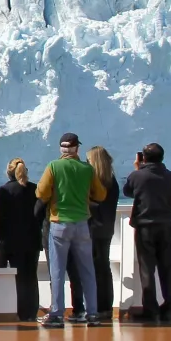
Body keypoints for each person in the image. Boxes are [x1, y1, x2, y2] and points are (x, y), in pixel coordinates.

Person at [36, 133, 106, 328]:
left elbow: (41, 193)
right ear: (76, 148)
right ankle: (92, 313)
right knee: (87, 270)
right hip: (82, 223)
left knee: (57, 271)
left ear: (61, 148)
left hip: (59, 223)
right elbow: (100, 194)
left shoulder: (53, 167)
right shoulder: (87, 169)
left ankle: (57, 314)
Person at [122, 142, 171, 324]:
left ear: (144, 157)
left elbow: (128, 191)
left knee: (147, 269)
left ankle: (151, 309)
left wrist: (139, 168)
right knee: (167, 268)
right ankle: (168, 307)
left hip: (145, 227)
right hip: (166, 226)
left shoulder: (137, 176)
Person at [0, 158, 45, 325]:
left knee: (18, 279)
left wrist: (0, 241)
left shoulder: (5, 190)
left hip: (12, 242)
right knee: (30, 277)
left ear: (9, 173)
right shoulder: (34, 188)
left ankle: (20, 313)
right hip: (32, 240)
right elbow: (40, 213)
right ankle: (31, 312)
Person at [77, 146, 120, 323]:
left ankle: (93, 307)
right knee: (104, 267)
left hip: (91, 228)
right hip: (107, 229)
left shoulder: (92, 182)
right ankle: (105, 308)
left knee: (91, 269)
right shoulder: (112, 181)